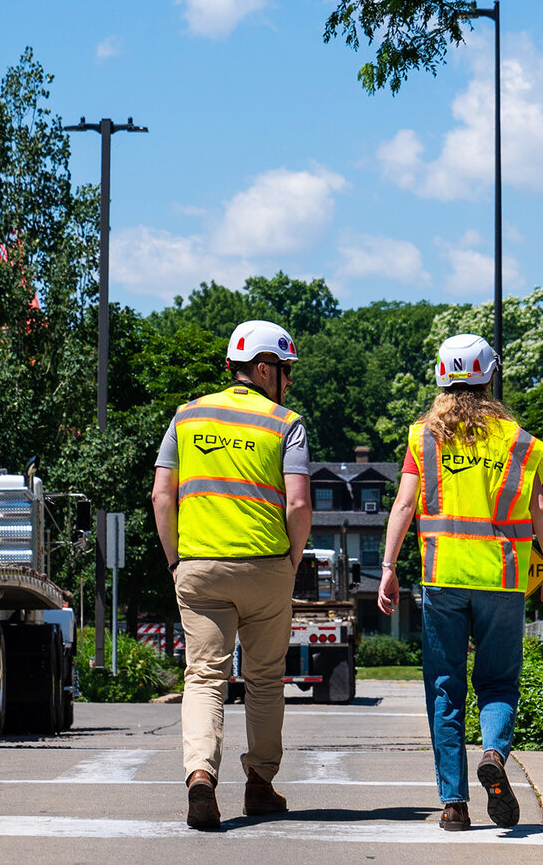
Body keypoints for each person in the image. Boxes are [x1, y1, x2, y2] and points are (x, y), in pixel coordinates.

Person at [377, 333, 543, 831]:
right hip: (502, 580)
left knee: (445, 688)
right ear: (489, 375)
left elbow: (403, 505)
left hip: (443, 578)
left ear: (441, 376)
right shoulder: (523, 443)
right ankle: (495, 756)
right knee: (498, 681)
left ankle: (453, 804)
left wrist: (389, 568)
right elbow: (541, 511)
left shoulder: (424, 437)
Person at [150, 319, 312, 831]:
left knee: (204, 677)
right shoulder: (286, 423)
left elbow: (161, 495)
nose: (286, 381)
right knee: (264, 681)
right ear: (264, 368)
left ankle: (201, 774)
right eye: (284, 370)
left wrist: (177, 560)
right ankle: (260, 787)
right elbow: (300, 501)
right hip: (266, 567)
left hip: (199, 566)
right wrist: (292, 560)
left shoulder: (186, 417)